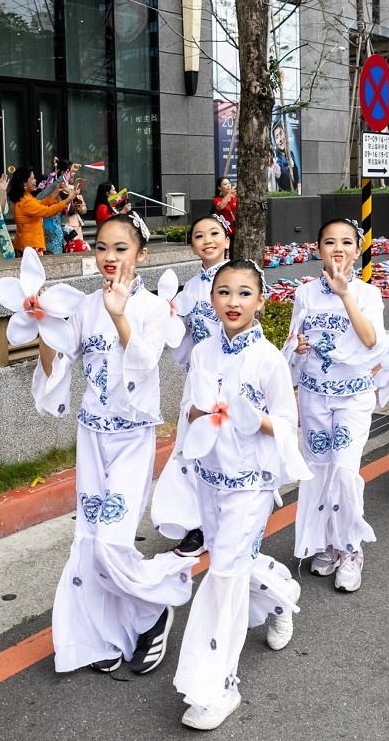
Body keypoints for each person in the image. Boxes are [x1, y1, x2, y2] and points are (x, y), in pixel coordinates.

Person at [28, 213, 193, 674]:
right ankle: (102, 636)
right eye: (101, 247)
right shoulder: (83, 305)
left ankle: (153, 610)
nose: (109, 257)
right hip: (91, 436)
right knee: (90, 539)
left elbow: (143, 366)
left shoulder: (154, 309)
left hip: (131, 440)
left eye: (121, 248)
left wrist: (120, 315)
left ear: (141, 254)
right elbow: (58, 362)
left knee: (112, 542)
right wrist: (43, 324)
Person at [172, 260, 310, 730]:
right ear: (212, 298)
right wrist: (196, 416)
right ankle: (282, 595)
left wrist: (257, 419)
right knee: (231, 564)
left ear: (260, 300)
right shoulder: (204, 353)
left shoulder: (268, 358)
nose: (233, 302)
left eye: (243, 293)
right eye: (224, 292)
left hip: (250, 483)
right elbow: (191, 410)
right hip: (210, 478)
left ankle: (219, 686)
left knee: (224, 576)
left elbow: (288, 423)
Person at [286, 219, 387, 592]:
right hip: (314, 395)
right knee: (320, 471)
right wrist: (295, 347)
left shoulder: (366, 294)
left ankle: (351, 548)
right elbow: (295, 339)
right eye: (330, 242)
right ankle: (326, 542)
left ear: (357, 251)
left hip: (353, 397)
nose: (338, 248)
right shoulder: (305, 294)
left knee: (345, 472)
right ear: (318, 249)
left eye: (347, 242)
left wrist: (345, 295)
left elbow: (371, 340)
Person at [151, 214, 233, 558]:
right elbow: (182, 337)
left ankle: (232, 517)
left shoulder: (243, 275)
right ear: (192, 246)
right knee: (192, 451)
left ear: (227, 238)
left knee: (230, 451)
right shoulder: (190, 290)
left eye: (215, 233)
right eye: (199, 236)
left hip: (233, 379)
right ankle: (197, 525)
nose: (208, 240)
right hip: (198, 382)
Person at [10, 165, 79, 255]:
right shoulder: (25, 201)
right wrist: (68, 199)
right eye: (32, 179)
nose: (35, 181)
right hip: (30, 246)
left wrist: (56, 191)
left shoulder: (26, 197)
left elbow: (40, 203)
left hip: (28, 244)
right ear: (24, 183)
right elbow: (47, 211)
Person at [270, 121, 298, 192]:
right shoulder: (275, 159)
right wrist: (278, 176)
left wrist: (293, 166)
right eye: (276, 137)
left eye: (281, 133)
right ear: (275, 142)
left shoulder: (290, 154)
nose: (280, 139)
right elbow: (282, 186)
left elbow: (296, 180)